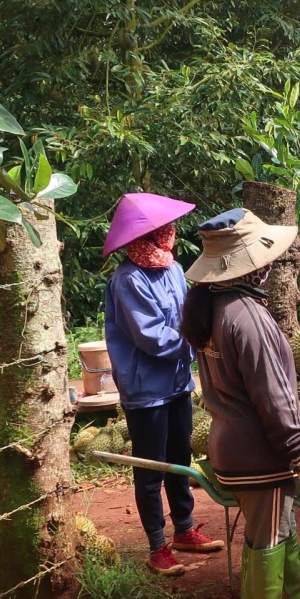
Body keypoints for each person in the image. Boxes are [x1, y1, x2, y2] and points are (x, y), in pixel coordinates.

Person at [179, 209, 300, 599]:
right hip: (257, 452)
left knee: (280, 526)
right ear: (254, 265)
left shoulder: (215, 309)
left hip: (230, 443)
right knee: (264, 538)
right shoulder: (247, 317)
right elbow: (274, 396)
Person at [102, 193, 224, 576]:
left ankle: (185, 529)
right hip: (146, 389)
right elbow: (151, 336)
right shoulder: (127, 280)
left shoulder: (172, 268)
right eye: (163, 230)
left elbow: (188, 312)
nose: (171, 234)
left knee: (179, 459)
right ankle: (157, 544)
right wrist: (197, 340)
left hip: (176, 382)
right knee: (151, 468)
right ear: (150, 234)